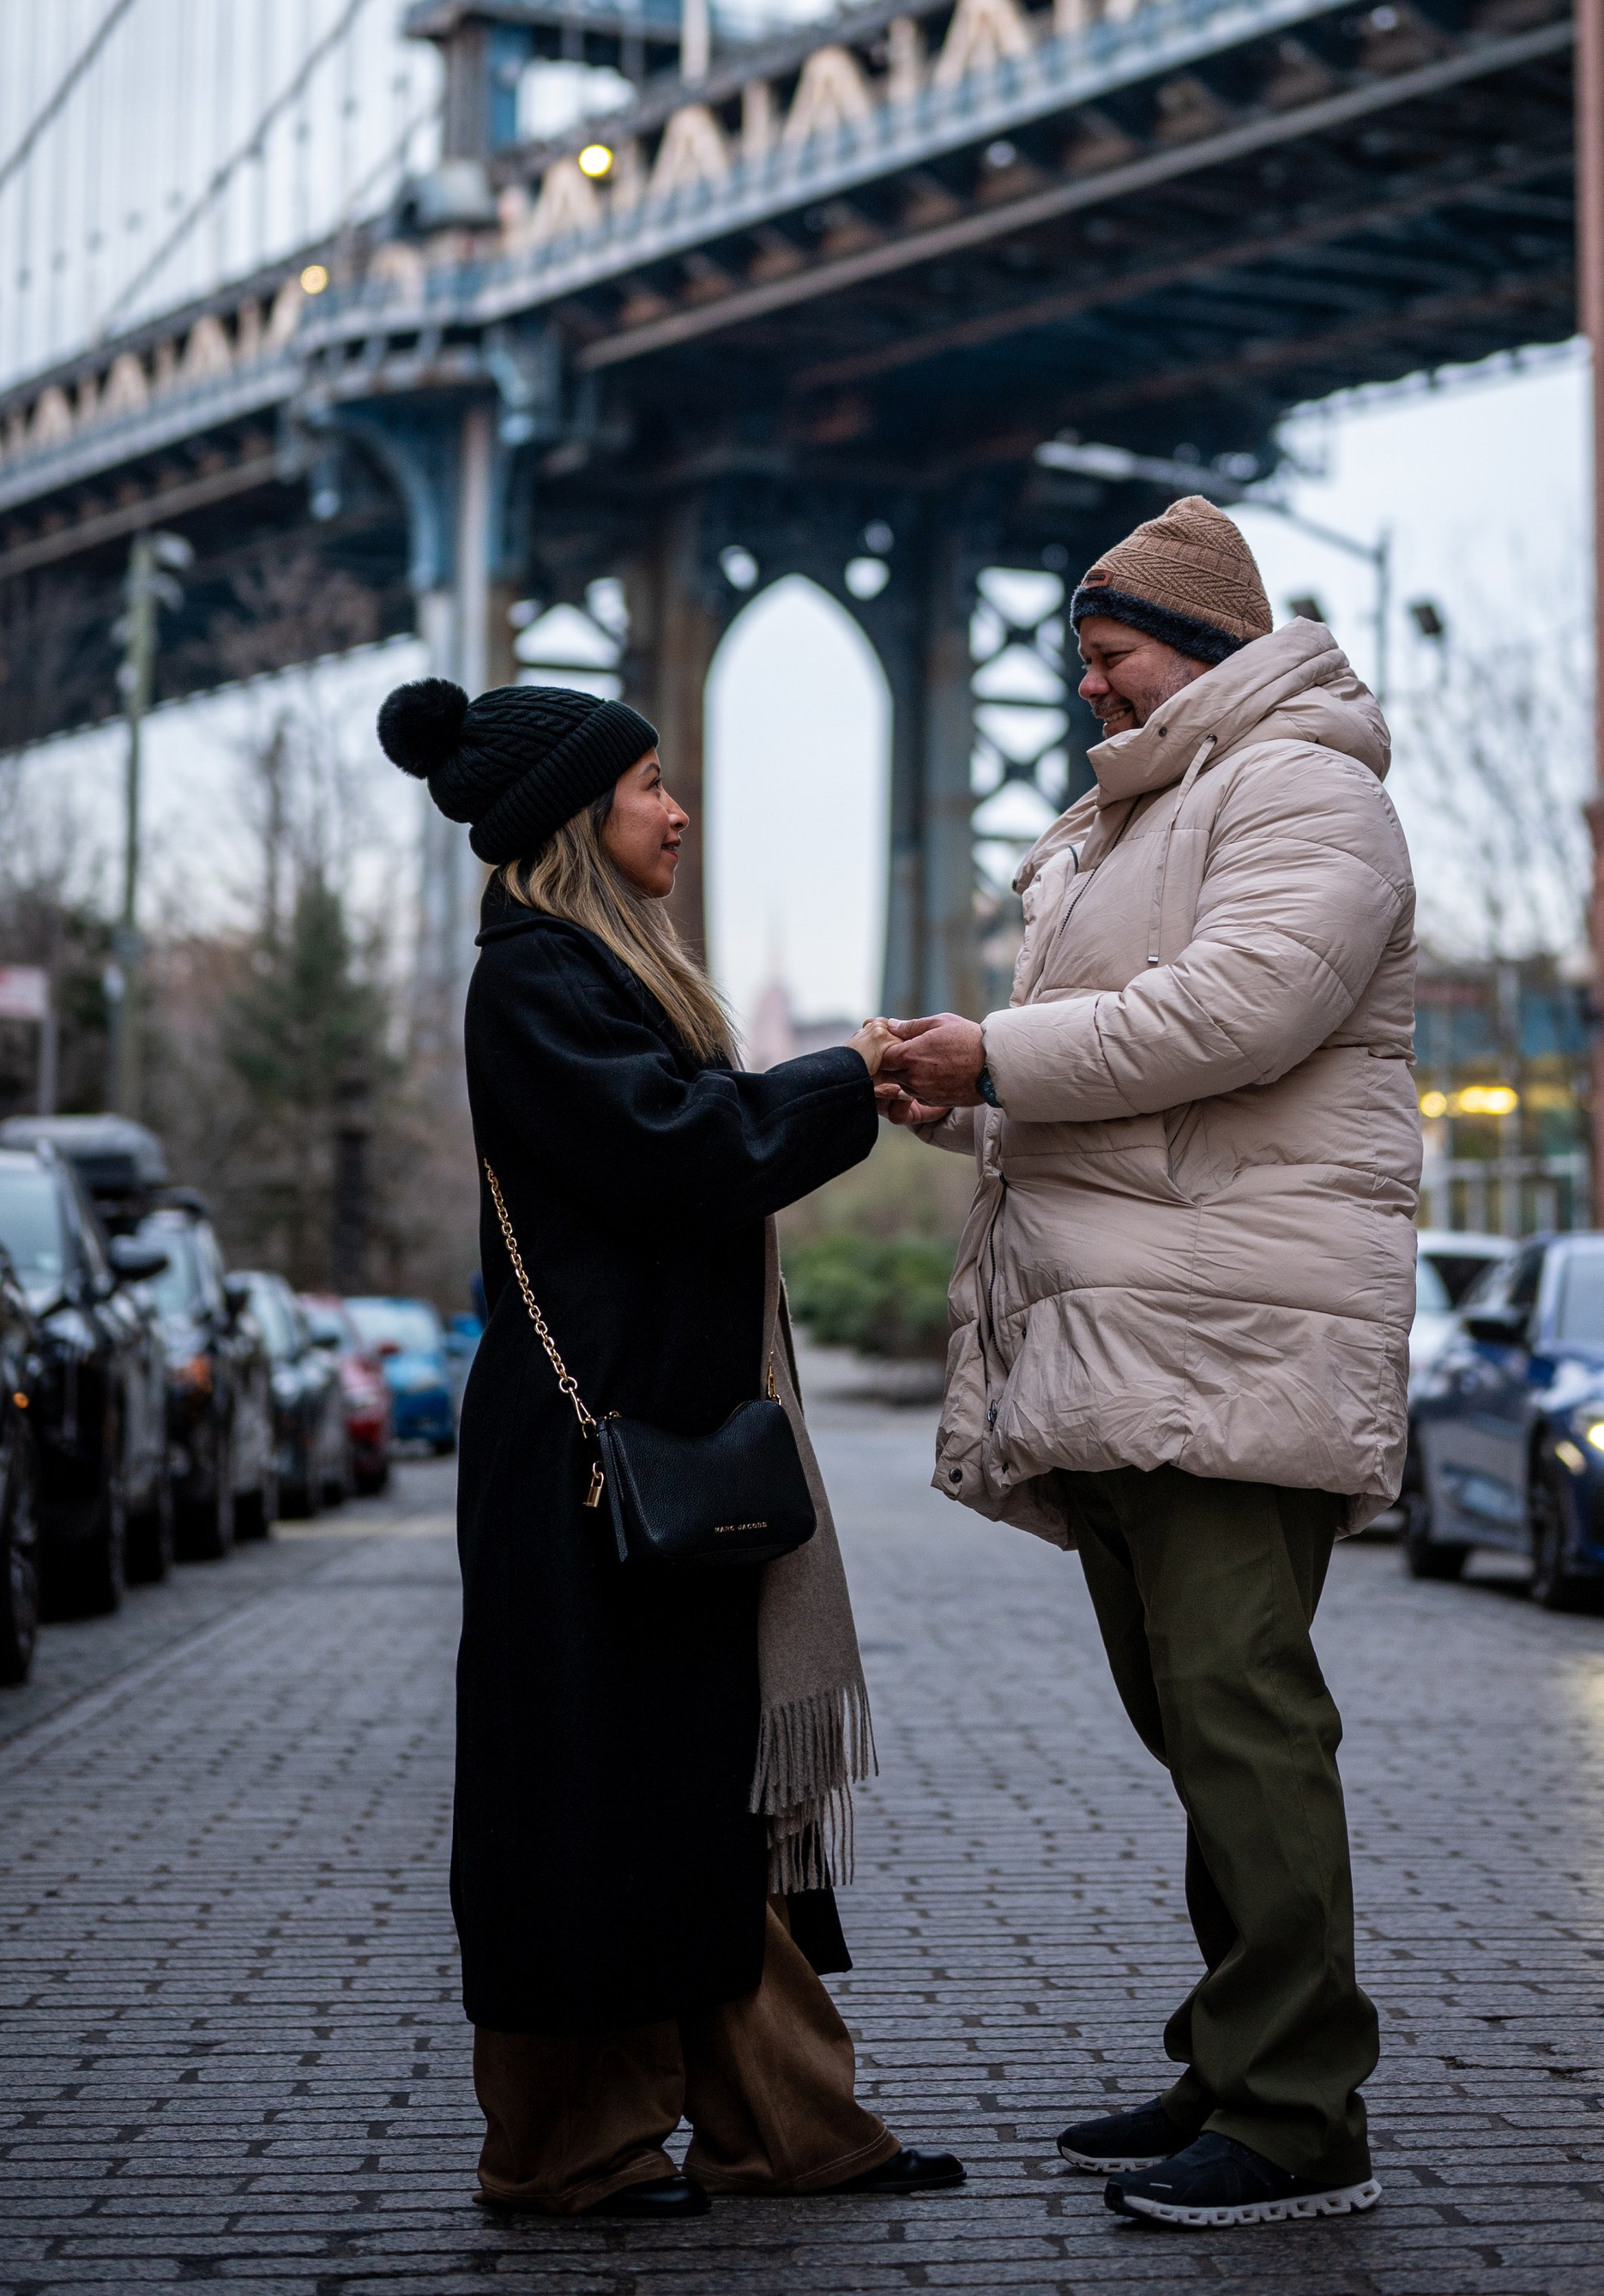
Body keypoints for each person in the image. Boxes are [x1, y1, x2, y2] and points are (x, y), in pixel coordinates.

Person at [881, 494, 1418, 2233]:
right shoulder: (1137, 817)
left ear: (1190, 647)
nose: (1090, 693)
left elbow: (1238, 1010)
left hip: (1234, 1327)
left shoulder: (1302, 788)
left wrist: (997, 1055)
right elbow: (1099, 1083)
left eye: (1108, 659)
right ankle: (1232, 2050)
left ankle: (1294, 2115)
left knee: (1246, 1721)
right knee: (1194, 1723)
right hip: (1137, 1328)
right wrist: (964, 1088)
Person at [377, 672, 962, 2221]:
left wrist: (838, 1083)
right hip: (584, 1466)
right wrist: (850, 1078)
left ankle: (788, 2124)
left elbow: (691, 1146)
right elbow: (677, 1157)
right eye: (649, 783)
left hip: (661, 1444)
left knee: (696, 1795)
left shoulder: (609, 974)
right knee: (588, 1803)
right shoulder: (536, 984)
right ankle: (567, 2144)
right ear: (580, 817)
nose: (677, 807)